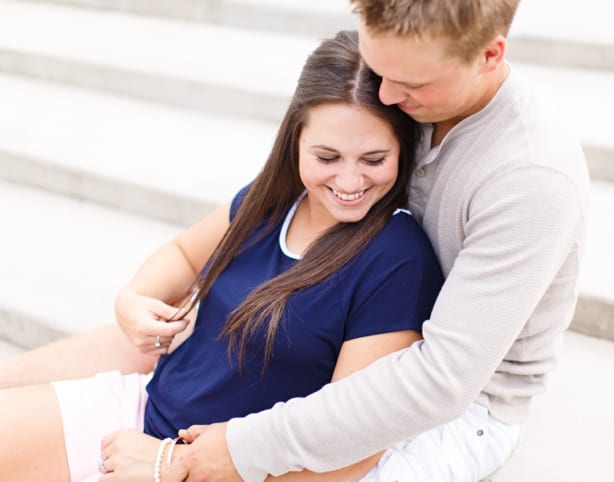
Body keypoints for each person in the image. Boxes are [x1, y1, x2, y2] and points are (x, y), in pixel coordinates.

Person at [158, 1, 590, 481]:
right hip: (352, 340)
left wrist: (242, 449)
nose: (384, 93)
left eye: (410, 84)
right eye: (379, 69)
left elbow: (440, 382)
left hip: (460, 407)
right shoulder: (408, 86)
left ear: (489, 55)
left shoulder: (532, 179)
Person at [0, 30, 444, 482]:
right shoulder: (269, 202)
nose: (350, 182)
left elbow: (354, 444)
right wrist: (134, 299)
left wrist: (172, 466)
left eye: (373, 159)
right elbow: (183, 254)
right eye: (327, 156)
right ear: (296, 141)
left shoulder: (397, 258)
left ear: (402, 151)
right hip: (140, 408)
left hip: (220, 469)